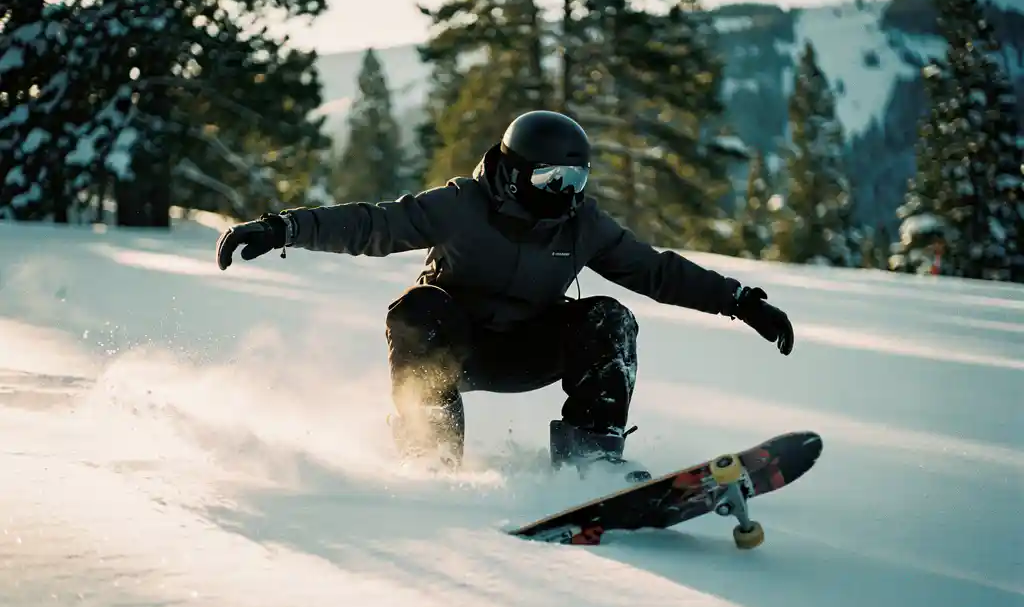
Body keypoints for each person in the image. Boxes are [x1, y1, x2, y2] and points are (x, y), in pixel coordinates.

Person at [215, 110, 794, 483]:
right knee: (416, 308)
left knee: (609, 318)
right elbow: (373, 224)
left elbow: (657, 271)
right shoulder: (461, 205)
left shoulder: (581, 224)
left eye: (577, 181)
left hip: (528, 349)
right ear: (516, 173)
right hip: (452, 349)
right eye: (552, 180)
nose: (566, 194)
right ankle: (429, 450)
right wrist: (284, 228)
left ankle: (590, 461)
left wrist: (739, 300)